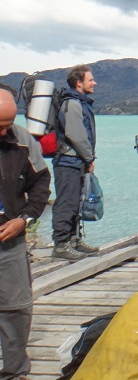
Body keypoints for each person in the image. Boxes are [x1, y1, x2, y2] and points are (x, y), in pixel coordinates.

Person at [0, 89, 50, 379]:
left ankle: (14, 372)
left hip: (10, 239)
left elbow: (41, 181)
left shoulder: (21, 139)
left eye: (8, 123)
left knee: (16, 309)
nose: (5, 131)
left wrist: (25, 218)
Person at [51, 65, 99, 261]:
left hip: (75, 161)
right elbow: (76, 135)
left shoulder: (79, 103)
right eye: (90, 80)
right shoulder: (72, 104)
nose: (94, 83)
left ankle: (74, 240)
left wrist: (86, 158)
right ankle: (61, 245)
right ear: (78, 83)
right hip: (67, 161)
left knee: (75, 202)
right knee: (66, 202)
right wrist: (89, 158)